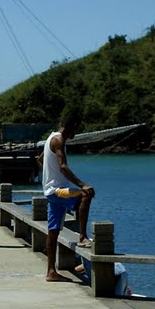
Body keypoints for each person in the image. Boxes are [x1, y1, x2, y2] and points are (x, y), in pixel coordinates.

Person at [37, 114, 95, 281]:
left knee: (53, 231)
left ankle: (51, 272)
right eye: (77, 128)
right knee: (86, 195)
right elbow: (63, 167)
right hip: (56, 191)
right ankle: (83, 236)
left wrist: (47, 177)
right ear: (72, 126)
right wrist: (82, 185)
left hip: (50, 191)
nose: (77, 132)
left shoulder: (51, 138)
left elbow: (39, 159)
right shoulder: (59, 141)